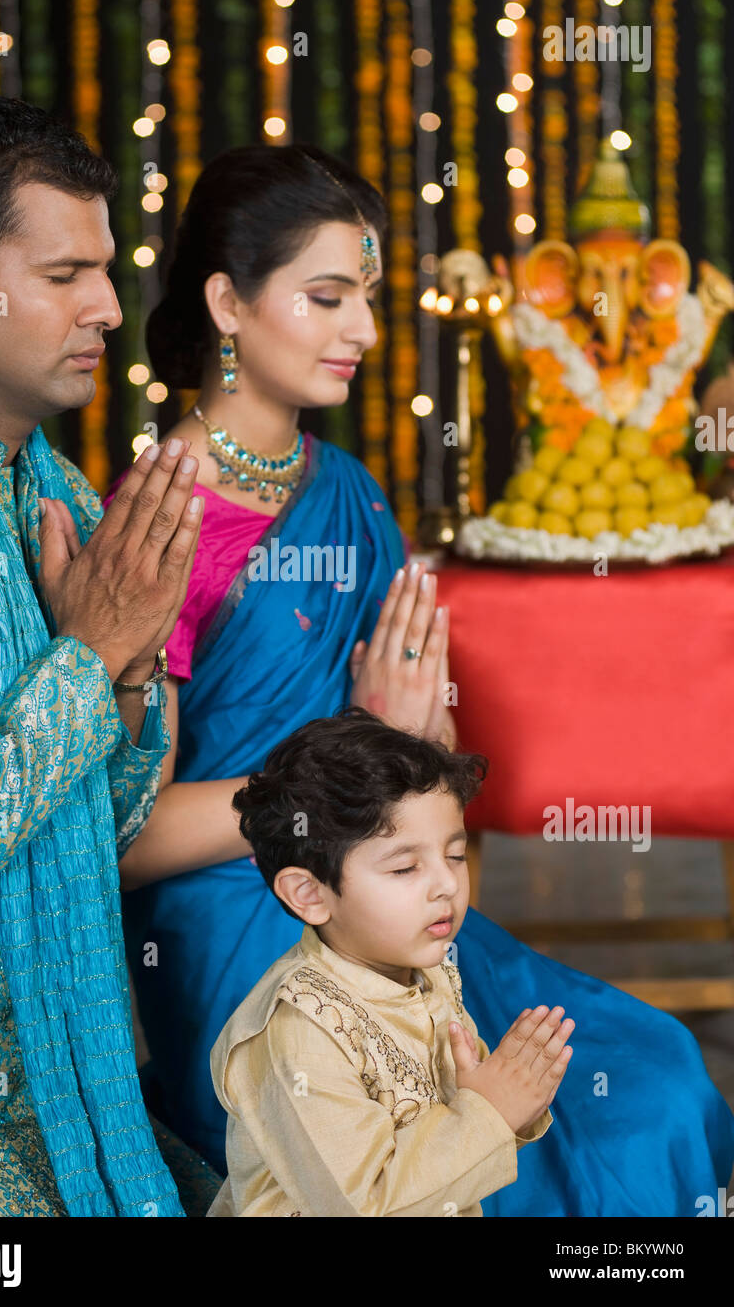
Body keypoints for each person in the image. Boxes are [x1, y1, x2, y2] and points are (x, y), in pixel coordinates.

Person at [107, 142, 734, 1214]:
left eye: (369, 299)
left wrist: (412, 744)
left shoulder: (346, 493)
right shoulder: (165, 514)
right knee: (498, 1163)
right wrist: (358, 737)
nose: (361, 330)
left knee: (658, 1075)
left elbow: (419, 752)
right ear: (227, 301)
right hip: (254, 924)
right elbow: (131, 837)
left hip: (388, 898)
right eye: (327, 297)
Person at [0, 94, 204, 1217]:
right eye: (66, 275)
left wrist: (121, 672)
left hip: (61, 1085)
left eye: (106, 270)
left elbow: (98, 829)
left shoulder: (56, 494)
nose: (109, 307)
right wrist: (91, 655)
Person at [208, 706, 568, 1217]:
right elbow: (364, 1205)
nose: (446, 884)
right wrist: (491, 1113)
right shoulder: (299, 1033)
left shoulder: (426, 970)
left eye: (455, 855)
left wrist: (511, 1097)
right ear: (309, 894)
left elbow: (458, 1130)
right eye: (404, 868)